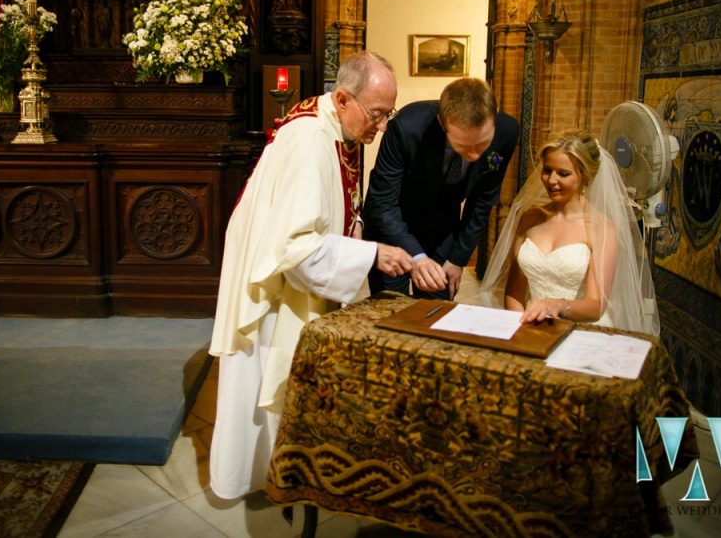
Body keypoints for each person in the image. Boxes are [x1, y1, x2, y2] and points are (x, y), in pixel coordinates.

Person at [208, 50, 414, 500]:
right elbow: (297, 251)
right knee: (264, 378)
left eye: (387, 114)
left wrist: (357, 233)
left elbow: (330, 212)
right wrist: (371, 255)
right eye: (377, 114)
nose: (381, 127)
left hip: (288, 282)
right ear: (343, 99)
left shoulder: (332, 129)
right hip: (275, 292)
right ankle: (261, 475)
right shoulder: (308, 143)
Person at [479, 129, 660, 335]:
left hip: (581, 331)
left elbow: (596, 304)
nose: (551, 180)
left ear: (585, 176)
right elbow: (514, 292)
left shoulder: (601, 228)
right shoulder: (529, 218)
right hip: (531, 327)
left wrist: (558, 305)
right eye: (547, 170)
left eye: (563, 174)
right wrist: (520, 330)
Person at [362, 77, 519, 300]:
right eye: (463, 146)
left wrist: (457, 259)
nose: (475, 155)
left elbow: (482, 201)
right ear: (442, 124)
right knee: (391, 312)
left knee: (436, 312)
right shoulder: (406, 128)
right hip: (391, 229)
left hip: (443, 230)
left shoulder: (507, 131)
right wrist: (417, 257)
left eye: (482, 144)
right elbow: (383, 203)